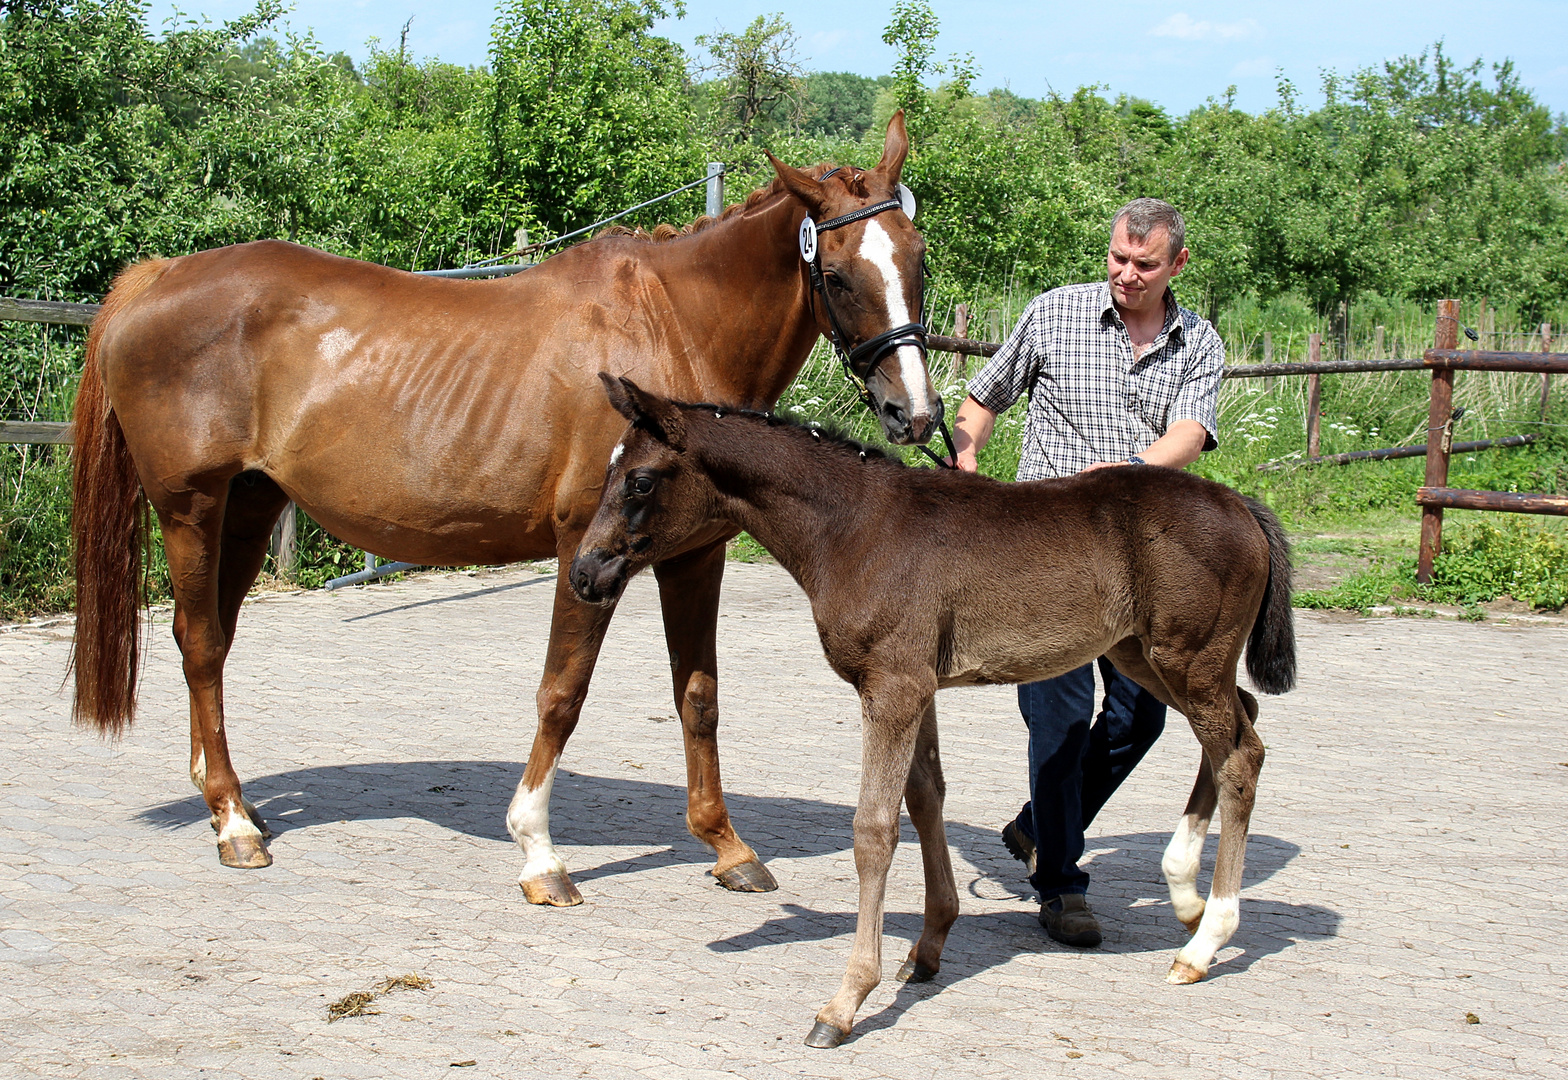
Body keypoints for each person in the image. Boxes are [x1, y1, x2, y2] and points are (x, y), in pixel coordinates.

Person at [950, 197, 1225, 948]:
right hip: (1043, 554)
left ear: (1176, 265)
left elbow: (1191, 433)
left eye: (1143, 264)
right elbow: (984, 397)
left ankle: (1039, 826)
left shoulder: (1198, 342)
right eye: (1117, 259)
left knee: (1142, 717)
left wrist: (1130, 472)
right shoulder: (1056, 314)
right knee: (1061, 717)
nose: (1126, 275)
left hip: (1140, 560)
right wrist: (968, 447)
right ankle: (1063, 884)